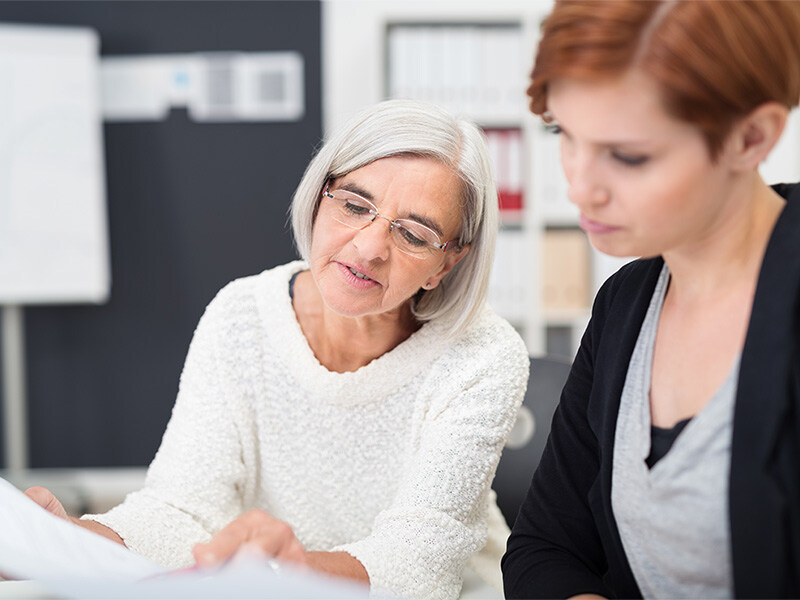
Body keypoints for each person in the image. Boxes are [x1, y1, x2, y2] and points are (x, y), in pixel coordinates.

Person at [26, 99, 530, 600]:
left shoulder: (484, 356)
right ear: (319, 197)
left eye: (413, 235)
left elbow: (418, 566)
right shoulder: (241, 314)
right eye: (355, 206)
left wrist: (280, 572)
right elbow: (181, 511)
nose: (369, 247)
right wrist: (63, 541)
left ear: (446, 265)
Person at [502, 1, 800, 598]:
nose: (579, 187)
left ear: (751, 137)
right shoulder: (626, 303)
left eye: (628, 155)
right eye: (565, 134)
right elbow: (545, 547)